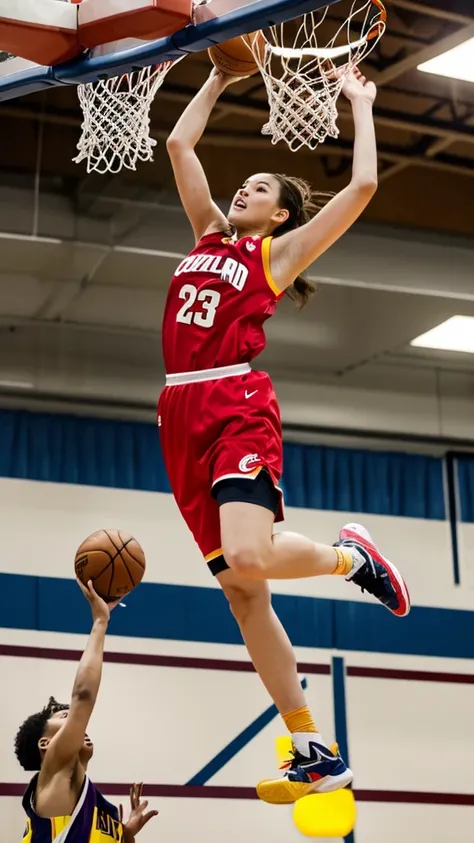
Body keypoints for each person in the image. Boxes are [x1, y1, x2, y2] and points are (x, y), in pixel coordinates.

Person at [159, 65, 410, 804]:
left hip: (234, 402)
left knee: (247, 551)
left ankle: (349, 557)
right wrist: (216, 72)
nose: (245, 189)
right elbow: (178, 140)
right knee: (244, 594)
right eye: (246, 182)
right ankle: (312, 747)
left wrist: (359, 106)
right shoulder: (207, 233)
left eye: (262, 189)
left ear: (280, 217)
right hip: (178, 415)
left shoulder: (274, 256)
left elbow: (362, 189)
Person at [15, 579, 158, 842]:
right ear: (45, 744)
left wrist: (124, 833)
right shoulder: (53, 777)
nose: (78, 724)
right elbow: (83, 696)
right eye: (65, 717)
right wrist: (100, 622)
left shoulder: (89, 803)